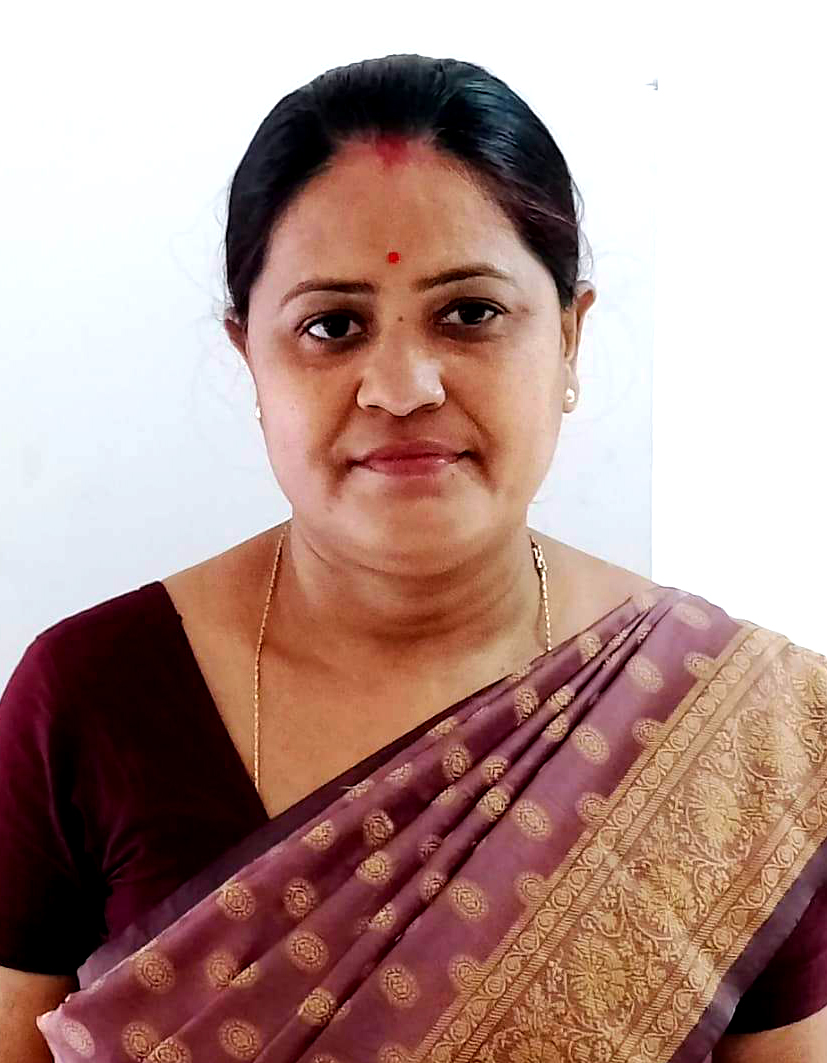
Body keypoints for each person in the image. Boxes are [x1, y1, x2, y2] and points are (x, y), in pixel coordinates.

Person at [1, 53, 825, 1063]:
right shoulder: (91, 698)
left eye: (469, 313)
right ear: (249, 357)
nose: (400, 386)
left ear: (569, 337)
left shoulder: (745, 731)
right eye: (331, 325)